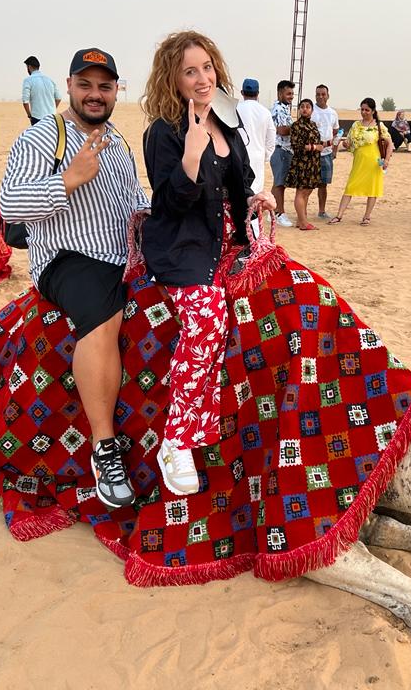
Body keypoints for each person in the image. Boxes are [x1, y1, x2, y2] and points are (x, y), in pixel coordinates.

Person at [0, 47, 150, 507]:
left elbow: (134, 201)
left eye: (104, 86)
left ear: (114, 92)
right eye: (85, 84)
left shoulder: (119, 142)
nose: (95, 94)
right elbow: (10, 207)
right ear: (68, 86)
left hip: (120, 254)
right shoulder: (42, 139)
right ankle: (105, 447)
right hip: (68, 257)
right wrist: (67, 180)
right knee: (104, 314)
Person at [140, 30, 275, 494]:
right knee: (206, 323)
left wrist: (259, 197)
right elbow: (171, 203)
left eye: (207, 68)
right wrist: (191, 158)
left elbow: (242, 182)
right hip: (184, 249)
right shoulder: (165, 131)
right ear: (173, 80)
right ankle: (175, 441)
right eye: (189, 71)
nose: (202, 79)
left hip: (230, 243)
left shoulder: (227, 120)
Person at [327, 97, 392, 226]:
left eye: (367, 110)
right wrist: (345, 144)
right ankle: (339, 215)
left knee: (372, 189)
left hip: (374, 162)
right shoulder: (356, 125)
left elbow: (390, 143)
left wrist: (387, 160)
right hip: (359, 162)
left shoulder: (379, 126)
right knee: (350, 187)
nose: (364, 112)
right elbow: (349, 143)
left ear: (373, 111)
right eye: (362, 109)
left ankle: (367, 216)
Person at [287, 98, 323, 230]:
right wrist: (314, 147)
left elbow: (318, 142)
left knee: (307, 191)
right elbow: (296, 145)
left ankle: (301, 219)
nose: (305, 109)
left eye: (308, 107)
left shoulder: (313, 125)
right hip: (302, 162)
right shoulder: (296, 125)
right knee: (301, 192)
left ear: (312, 110)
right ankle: (303, 223)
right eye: (302, 106)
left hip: (313, 163)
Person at [235, 77, 275, 195]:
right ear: (258, 94)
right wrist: (265, 156)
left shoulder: (235, 109)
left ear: (242, 92)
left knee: (237, 191)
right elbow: (271, 139)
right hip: (257, 157)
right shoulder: (265, 112)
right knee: (255, 194)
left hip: (236, 156)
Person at [270, 80, 296, 227]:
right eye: (288, 93)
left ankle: (272, 211)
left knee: (278, 182)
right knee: (280, 184)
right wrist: (298, 128)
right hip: (280, 149)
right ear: (280, 93)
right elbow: (281, 130)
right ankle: (280, 213)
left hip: (285, 149)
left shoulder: (285, 108)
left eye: (292, 93)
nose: (291, 96)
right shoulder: (279, 109)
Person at [311, 83, 339, 218]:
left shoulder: (333, 113)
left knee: (323, 184)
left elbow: (335, 132)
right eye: (318, 94)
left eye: (323, 94)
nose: (320, 97)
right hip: (312, 153)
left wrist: (334, 150)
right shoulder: (311, 110)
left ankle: (321, 211)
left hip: (327, 154)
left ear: (328, 96)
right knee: (308, 184)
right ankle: (302, 211)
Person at [21, 56, 62, 126]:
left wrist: (29, 115)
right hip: (52, 117)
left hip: (37, 118)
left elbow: (25, 101)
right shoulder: (49, 80)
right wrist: (52, 109)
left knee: (38, 136)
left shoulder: (28, 80)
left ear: (29, 67)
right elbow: (58, 98)